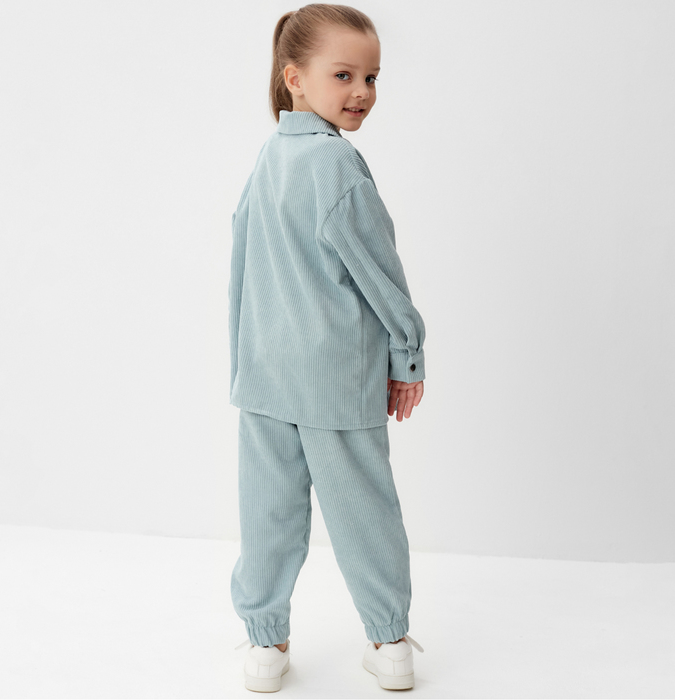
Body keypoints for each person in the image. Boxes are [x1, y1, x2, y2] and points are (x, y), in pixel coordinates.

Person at [229, 3, 427, 692]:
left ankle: (266, 646)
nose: (362, 91)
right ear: (295, 78)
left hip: (263, 376)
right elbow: (378, 272)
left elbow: (243, 267)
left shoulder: (269, 158)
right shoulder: (336, 164)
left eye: (372, 77)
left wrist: (242, 361)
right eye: (344, 75)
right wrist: (406, 354)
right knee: (364, 513)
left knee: (268, 518)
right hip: (335, 381)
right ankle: (390, 643)